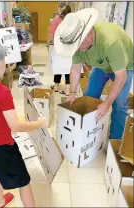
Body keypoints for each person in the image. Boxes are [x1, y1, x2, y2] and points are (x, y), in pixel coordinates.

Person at [0, 40, 48, 207]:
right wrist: (38, 123)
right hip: (3, 148)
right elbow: (16, 125)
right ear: (0, 64)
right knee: (24, 181)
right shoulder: (3, 93)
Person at [54, 8, 133, 140]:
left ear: (88, 32)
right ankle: (89, 133)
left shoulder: (110, 43)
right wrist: (72, 93)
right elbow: (75, 68)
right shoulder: (77, 43)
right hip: (101, 65)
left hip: (123, 68)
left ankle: (115, 141)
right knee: (89, 96)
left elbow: (121, 77)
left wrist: (107, 103)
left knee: (118, 103)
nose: (77, 49)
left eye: (79, 45)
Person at [47, 1, 72, 95]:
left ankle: (56, 87)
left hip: (58, 47)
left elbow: (51, 32)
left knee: (57, 65)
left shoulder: (57, 19)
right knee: (68, 68)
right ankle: (68, 89)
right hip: (69, 47)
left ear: (59, 8)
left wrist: (48, 43)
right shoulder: (73, 19)